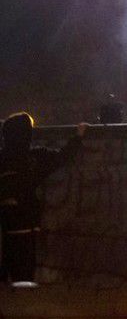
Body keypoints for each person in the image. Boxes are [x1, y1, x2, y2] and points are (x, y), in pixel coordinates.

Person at [0, 113, 86, 285]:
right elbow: (63, 157)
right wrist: (78, 136)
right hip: (25, 222)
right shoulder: (34, 158)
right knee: (23, 272)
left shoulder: (3, 158)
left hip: (4, 224)